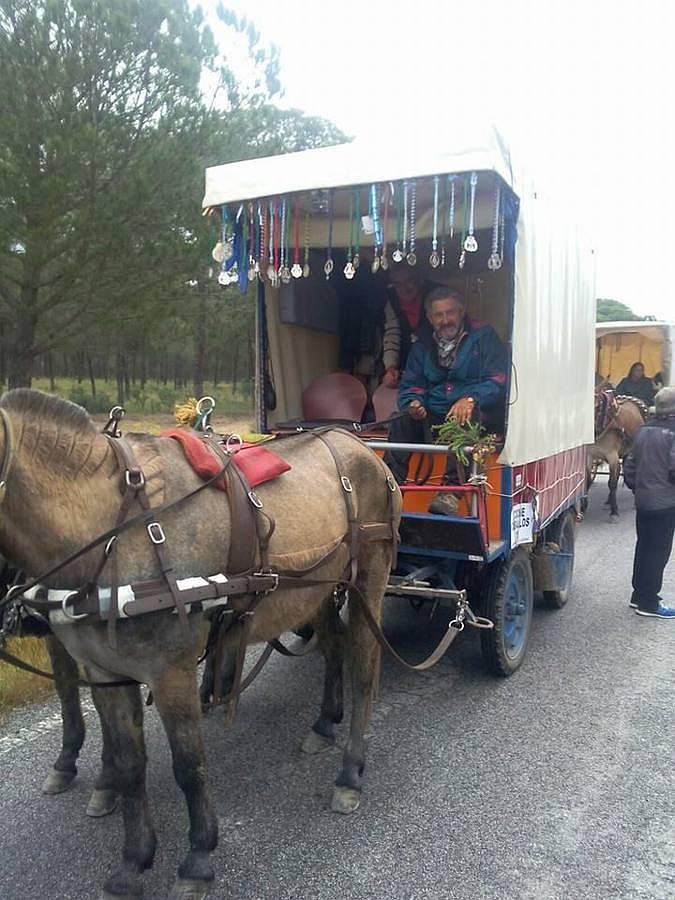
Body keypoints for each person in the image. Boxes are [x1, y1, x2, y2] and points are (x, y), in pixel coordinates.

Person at [384, 286, 508, 514]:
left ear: (461, 312)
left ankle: (450, 492)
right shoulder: (421, 343)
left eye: (450, 313)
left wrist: (471, 398)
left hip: (476, 412)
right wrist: (414, 402)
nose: (445, 320)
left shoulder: (484, 336)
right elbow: (411, 383)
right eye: (438, 315)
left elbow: (499, 379)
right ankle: (391, 491)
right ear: (430, 319)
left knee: (464, 416)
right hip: (433, 415)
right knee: (399, 419)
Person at [623, 386, 675, 619]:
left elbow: (630, 465)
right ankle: (649, 602)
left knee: (643, 547)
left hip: (643, 501)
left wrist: (638, 488)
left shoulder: (643, 431)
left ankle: (638, 595)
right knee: (658, 552)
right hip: (665, 503)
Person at [379, 267, 436, 388]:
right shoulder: (391, 299)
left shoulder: (436, 295)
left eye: (409, 281)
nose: (404, 288)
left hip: (436, 370)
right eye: (397, 284)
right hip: (406, 370)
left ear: (420, 279)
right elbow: (392, 333)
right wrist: (391, 368)